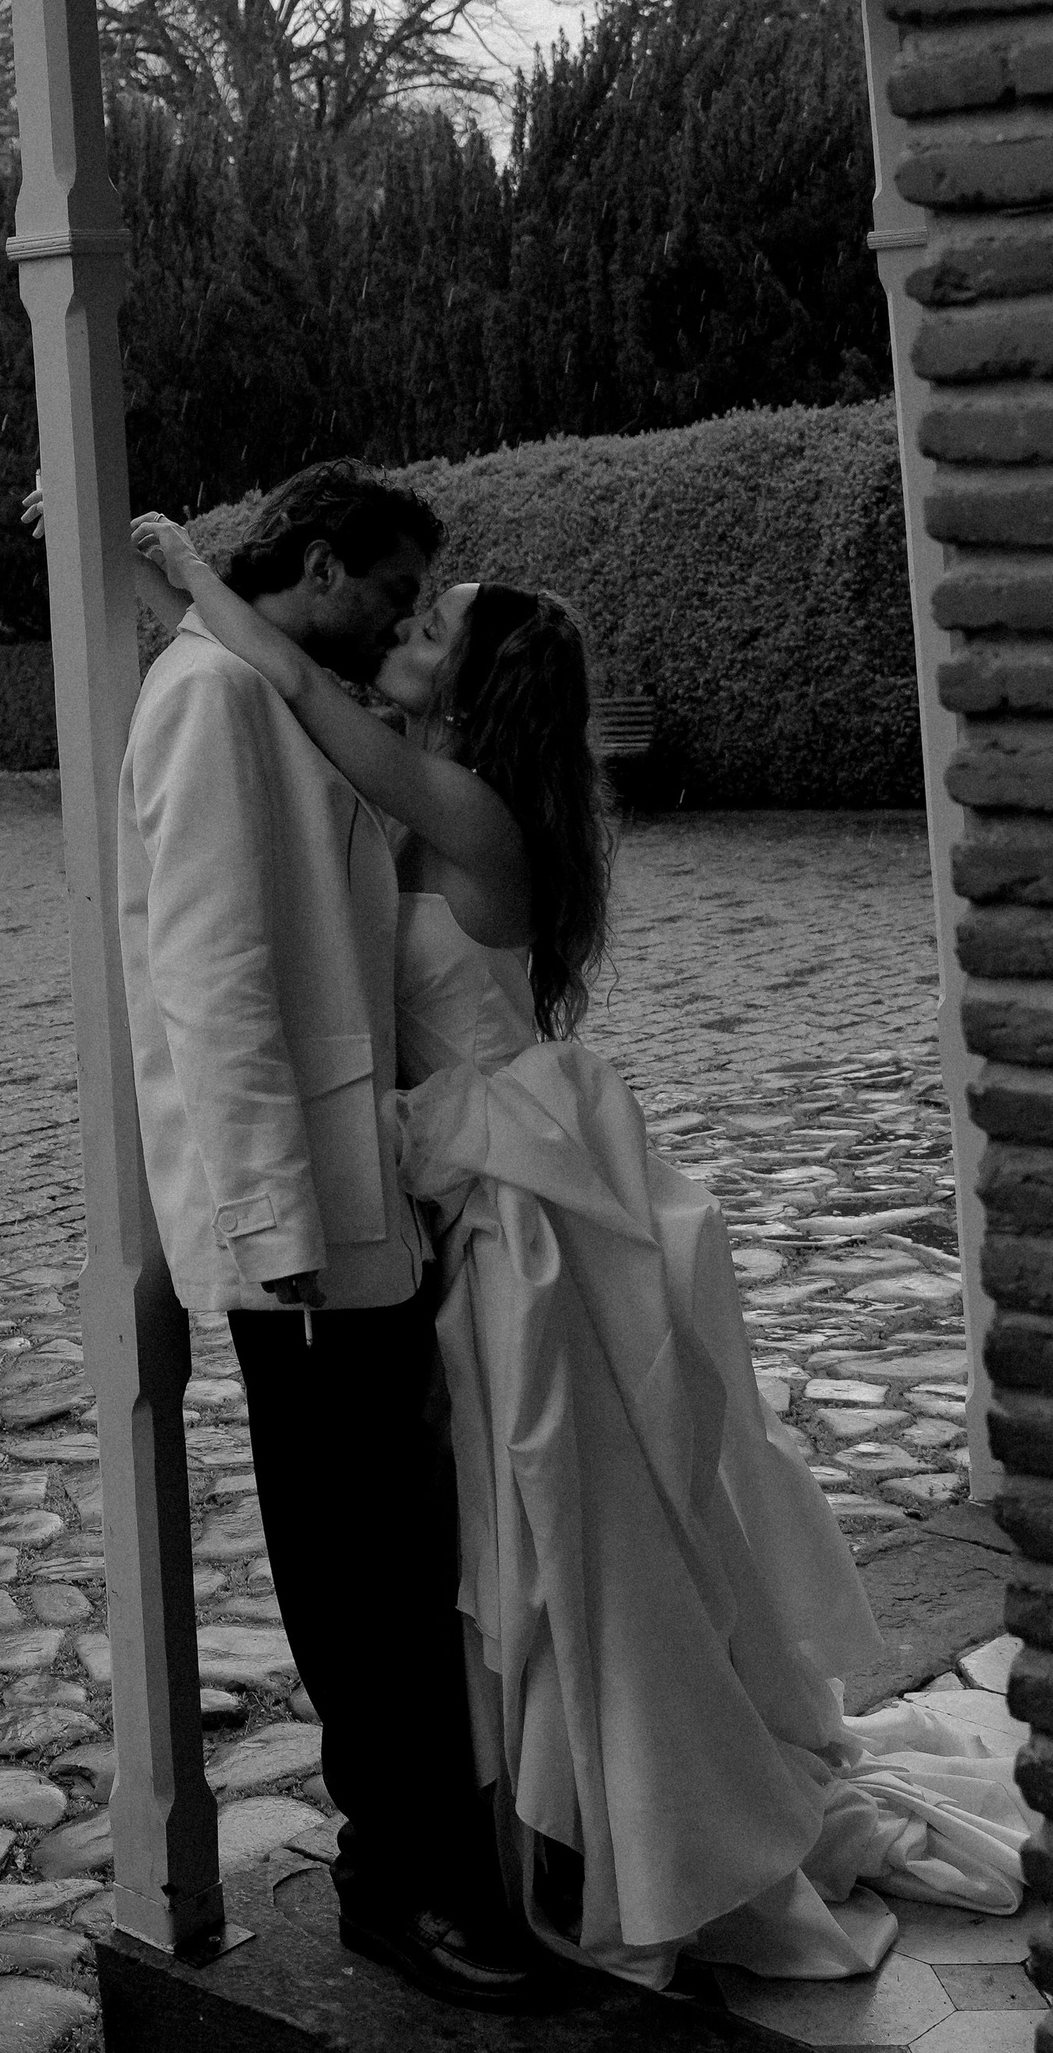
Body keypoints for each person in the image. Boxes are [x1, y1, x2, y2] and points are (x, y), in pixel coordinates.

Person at [130, 506, 1029, 1987]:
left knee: (550, 1523)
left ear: (475, 696)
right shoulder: (443, 789)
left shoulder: (459, 810)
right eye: (408, 609)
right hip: (469, 1189)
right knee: (505, 1533)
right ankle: (534, 1829)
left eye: (433, 627)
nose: (404, 631)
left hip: (515, 1210)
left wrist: (185, 572)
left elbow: (288, 689)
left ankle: (601, 1825)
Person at [112, 459, 540, 2006]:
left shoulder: (273, 687)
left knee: (406, 1549)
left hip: (368, 1203)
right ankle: (395, 1886)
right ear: (319, 565)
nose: (407, 615)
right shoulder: (213, 702)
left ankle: (436, 1860)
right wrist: (276, 1218)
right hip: (295, 1230)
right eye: (394, 587)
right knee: (356, 1573)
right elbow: (213, 984)